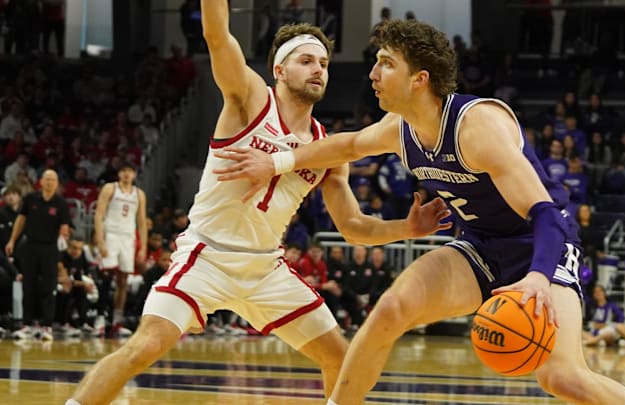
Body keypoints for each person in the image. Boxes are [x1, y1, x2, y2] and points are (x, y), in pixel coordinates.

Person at [213, 19, 625, 405]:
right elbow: (345, 145)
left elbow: (546, 213)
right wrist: (277, 162)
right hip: (481, 245)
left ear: (419, 79)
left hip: (542, 247)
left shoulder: (478, 128)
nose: (372, 74)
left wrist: (537, 277)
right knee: (389, 312)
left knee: (561, 377)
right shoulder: (400, 129)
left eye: (385, 63)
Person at [65, 5, 448, 405]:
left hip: (266, 268)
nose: (318, 69)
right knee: (144, 346)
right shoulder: (249, 99)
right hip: (207, 256)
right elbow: (217, 35)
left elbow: (352, 225)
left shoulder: (327, 147)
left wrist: (406, 228)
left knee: (343, 359)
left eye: (323, 62)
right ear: (279, 70)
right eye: (306, 61)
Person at [6, 170, 70, 341]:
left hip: (50, 248)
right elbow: (21, 220)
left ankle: (46, 326)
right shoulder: (31, 199)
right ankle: (27, 325)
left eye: (53, 180)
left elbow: (65, 227)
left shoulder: (61, 204)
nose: (49, 182)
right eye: (47, 179)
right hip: (31, 246)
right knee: (28, 286)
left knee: (48, 287)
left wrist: (65, 233)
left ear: (57, 184)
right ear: (40, 181)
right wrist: (12, 240)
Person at [94, 162, 148, 338]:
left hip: (127, 237)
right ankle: (100, 318)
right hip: (111, 234)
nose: (126, 174)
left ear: (134, 175)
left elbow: (141, 222)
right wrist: (100, 239)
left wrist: (143, 247)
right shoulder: (110, 188)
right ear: (119, 174)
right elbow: (99, 214)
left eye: (130, 171)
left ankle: (117, 320)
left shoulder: (139, 194)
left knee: (122, 280)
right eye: (124, 170)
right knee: (106, 276)